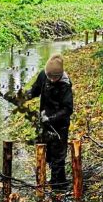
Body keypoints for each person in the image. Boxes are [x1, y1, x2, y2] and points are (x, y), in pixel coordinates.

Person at [25, 54, 73, 189]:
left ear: (59, 75)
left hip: (60, 126)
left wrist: (51, 118)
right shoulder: (44, 75)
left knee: (58, 156)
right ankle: (44, 182)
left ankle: (59, 186)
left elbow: (68, 109)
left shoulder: (65, 84)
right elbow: (35, 90)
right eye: (49, 77)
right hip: (45, 124)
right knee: (46, 154)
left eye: (54, 78)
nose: (51, 80)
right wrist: (24, 96)